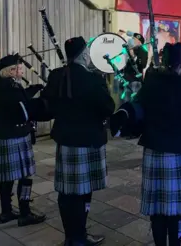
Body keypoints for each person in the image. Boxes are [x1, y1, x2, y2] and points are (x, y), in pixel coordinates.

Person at [110, 43, 181, 246]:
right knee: (177, 209)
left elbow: (140, 112)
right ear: (180, 64)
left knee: (157, 208)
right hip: (178, 149)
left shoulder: (151, 83)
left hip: (154, 149)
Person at [40, 36, 115, 246]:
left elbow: (47, 107)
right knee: (83, 192)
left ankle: (71, 237)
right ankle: (80, 237)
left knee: (66, 193)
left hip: (65, 140)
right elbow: (108, 108)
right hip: (88, 140)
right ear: (83, 54)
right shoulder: (93, 79)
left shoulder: (56, 76)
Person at [0, 54, 46, 226]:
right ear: (11, 71)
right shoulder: (11, 89)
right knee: (25, 176)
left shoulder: (1, 86)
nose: (21, 70)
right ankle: (25, 212)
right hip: (16, 136)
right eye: (19, 68)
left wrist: (33, 89)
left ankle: (6, 212)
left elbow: (17, 100)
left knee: (6, 177)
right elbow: (23, 108)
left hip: (3, 134)